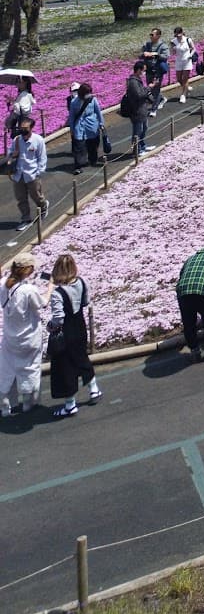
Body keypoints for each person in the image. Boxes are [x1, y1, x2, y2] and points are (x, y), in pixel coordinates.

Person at [47, 253, 100, 418]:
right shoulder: (82, 282)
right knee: (82, 357)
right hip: (80, 326)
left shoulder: (57, 293)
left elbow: (58, 318)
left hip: (66, 332)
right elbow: (86, 302)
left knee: (65, 367)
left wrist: (50, 326)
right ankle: (94, 389)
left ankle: (70, 405)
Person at [0, 255, 46, 414]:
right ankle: (28, 404)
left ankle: (6, 406)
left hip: (9, 338)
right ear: (28, 270)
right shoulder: (29, 290)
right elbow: (42, 304)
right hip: (29, 338)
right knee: (30, 369)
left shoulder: (3, 284)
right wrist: (52, 285)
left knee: (7, 370)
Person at [6, 116, 48, 231]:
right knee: (21, 198)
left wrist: (38, 172)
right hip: (18, 174)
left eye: (26, 128)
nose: (23, 130)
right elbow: (9, 153)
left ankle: (43, 206)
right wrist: (12, 155)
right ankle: (26, 219)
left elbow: (42, 158)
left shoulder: (38, 140)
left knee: (36, 196)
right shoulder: (17, 140)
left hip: (32, 174)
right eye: (21, 128)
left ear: (31, 128)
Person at [120, 60, 155, 157]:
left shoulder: (137, 80)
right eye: (144, 70)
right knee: (137, 131)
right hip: (136, 110)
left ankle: (142, 146)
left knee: (144, 128)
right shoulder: (133, 82)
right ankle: (136, 150)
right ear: (138, 70)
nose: (144, 73)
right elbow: (139, 95)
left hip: (142, 109)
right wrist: (149, 88)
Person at [68, 81, 103, 172]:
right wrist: (72, 129)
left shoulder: (93, 100)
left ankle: (93, 159)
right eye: (87, 93)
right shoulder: (74, 102)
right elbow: (71, 117)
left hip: (91, 126)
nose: (89, 95)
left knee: (93, 144)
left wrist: (101, 123)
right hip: (79, 127)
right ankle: (78, 166)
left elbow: (98, 112)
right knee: (79, 147)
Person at [170, 26, 196, 100]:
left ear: (181, 33)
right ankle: (187, 87)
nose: (177, 37)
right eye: (176, 35)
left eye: (179, 35)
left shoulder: (188, 39)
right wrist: (173, 49)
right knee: (179, 78)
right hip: (179, 61)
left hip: (187, 61)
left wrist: (190, 55)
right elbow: (172, 52)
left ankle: (183, 95)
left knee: (185, 78)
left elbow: (194, 48)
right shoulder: (173, 41)